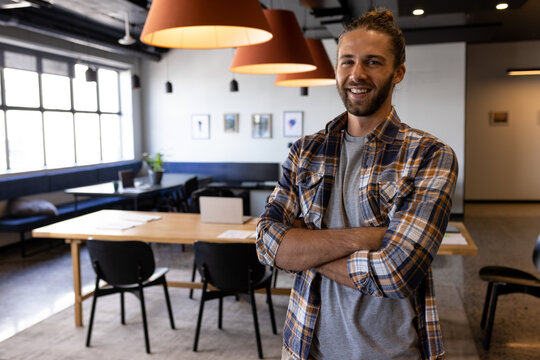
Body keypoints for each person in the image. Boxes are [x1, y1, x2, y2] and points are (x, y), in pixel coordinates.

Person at [256, 9, 458, 360]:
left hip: (392, 353)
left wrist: (303, 252)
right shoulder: (305, 151)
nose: (357, 74)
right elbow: (266, 244)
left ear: (398, 73)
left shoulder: (429, 155)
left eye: (373, 62)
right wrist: (368, 237)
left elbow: (396, 273)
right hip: (306, 347)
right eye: (346, 61)